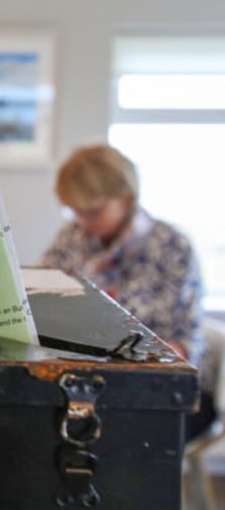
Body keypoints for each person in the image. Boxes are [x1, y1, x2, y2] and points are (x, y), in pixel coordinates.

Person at [40, 143, 214, 441]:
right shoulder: (72, 237)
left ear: (126, 198)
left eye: (93, 211)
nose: (83, 220)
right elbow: (40, 301)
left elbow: (185, 346)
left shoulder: (172, 247)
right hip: (83, 383)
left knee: (97, 439)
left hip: (158, 391)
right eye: (76, 211)